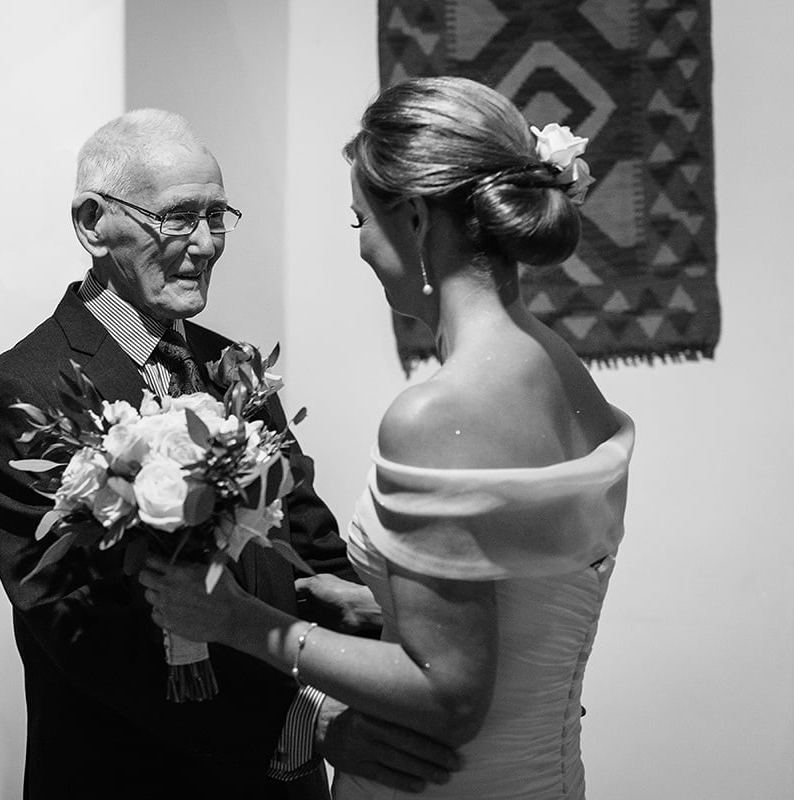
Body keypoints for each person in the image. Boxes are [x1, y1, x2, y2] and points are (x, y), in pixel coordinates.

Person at [141, 77, 635, 799]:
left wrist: (239, 621)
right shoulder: (561, 368)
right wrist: (381, 604)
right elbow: (528, 580)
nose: (363, 250)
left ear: (410, 217)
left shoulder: (436, 414)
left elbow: (449, 696)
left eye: (358, 221)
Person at [0, 108, 459, 800]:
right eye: (178, 217)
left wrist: (428, 638)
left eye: (217, 215)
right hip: (136, 774)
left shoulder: (231, 364)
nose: (204, 243)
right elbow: (84, 625)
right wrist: (304, 722)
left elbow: (309, 547)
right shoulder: (20, 389)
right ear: (90, 223)